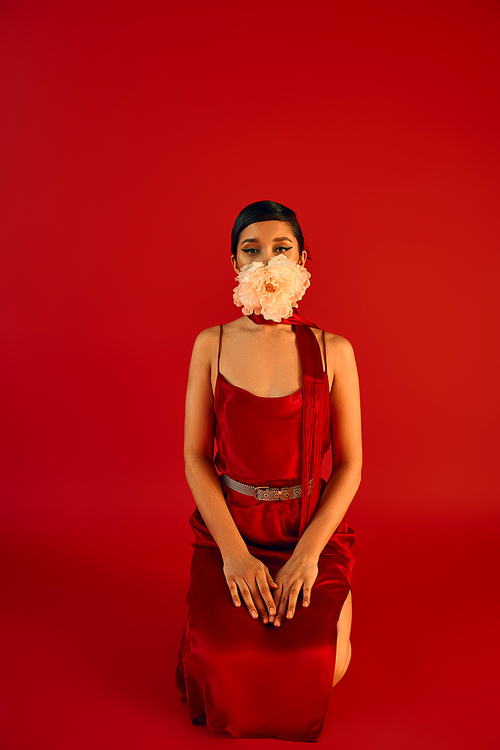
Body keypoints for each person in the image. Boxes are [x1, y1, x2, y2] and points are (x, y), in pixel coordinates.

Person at [175, 200, 362, 742]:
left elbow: (350, 465)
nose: (265, 261)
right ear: (235, 265)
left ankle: (335, 594)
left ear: (304, 260)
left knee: (322, 664)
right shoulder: (210, 344)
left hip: (309, 531)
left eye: (280, 249)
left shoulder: (335, 351)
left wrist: (307, 556)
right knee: (215, 664)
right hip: (229, 532)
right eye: (250, 251)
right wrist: (234, 556)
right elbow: (194, 456)